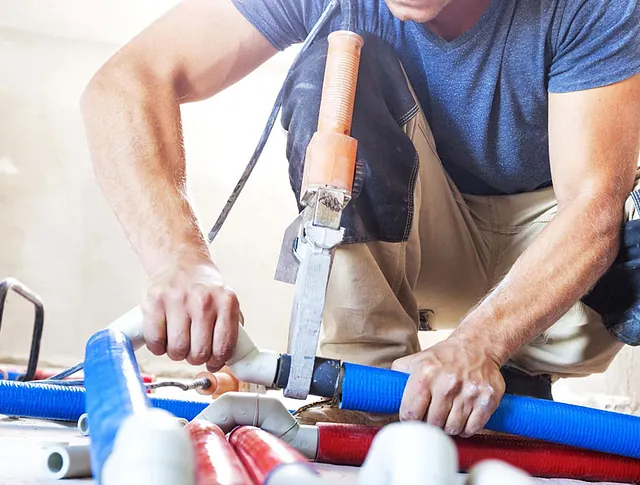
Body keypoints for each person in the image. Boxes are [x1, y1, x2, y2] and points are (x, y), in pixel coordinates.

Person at [81, 0, 640, 437]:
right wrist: (181, 262)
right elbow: (129, 80)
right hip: (425, 244)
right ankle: (365, 383)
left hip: (565, 280)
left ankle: (512, 372)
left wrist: (482, 344)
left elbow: (592, 209)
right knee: (335, 68)